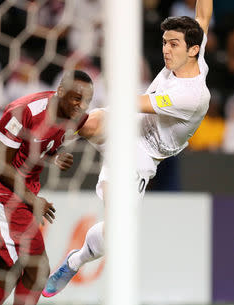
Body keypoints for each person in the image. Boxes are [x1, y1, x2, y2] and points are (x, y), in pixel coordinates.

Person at [42, 0, 213, 297]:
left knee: (115, 229)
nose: (166, 50)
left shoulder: (193, 96)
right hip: (132, 124)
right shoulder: (193, 48)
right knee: (86, 122)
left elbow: (133, 101)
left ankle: (74, 261)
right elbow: (203, 14)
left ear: (193, 49)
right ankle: (11, 140)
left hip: (144, 153)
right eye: (164, 43)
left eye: (173, 44)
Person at [0, 70, 93, 305]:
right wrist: (32, 200)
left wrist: (53, 157)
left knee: (10, 271)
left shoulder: (73, 117)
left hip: (20, 191)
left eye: (87, 100)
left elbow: (40, 143)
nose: (82, 105)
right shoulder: (24, 111)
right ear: (60, 92)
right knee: (37, 270)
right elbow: (1, 164)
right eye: (77, 98)